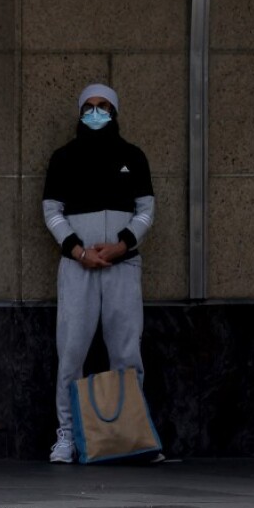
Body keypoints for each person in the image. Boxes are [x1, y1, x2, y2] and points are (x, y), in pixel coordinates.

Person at [41, 83, 155, 464]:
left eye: (103, 106)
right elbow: (52, 212)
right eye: (88, 107)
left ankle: (130, 436)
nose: (95, 113)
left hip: (123, 266)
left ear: (114, 111)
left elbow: (146, 211)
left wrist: (123, 243)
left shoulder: (133, 157)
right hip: (78, 267)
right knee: (71, 351)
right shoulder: (63, 158)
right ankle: (67, 436)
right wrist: (77, 249)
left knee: (126, 350)